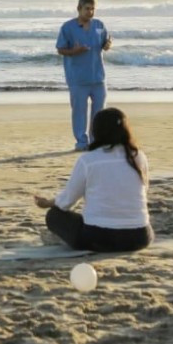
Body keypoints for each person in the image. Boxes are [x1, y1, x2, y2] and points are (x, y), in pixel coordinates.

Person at [34, 108, 153, 252]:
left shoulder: (88, 160)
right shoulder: (138, 156)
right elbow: (143, 190)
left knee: (54, 216)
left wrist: (48, 203)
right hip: (139, 237)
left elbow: (67, 201)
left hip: (99, 238)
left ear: (96, 131)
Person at [56, 0, 112, 151]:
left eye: (93, 9)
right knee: (79, 112)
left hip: (98, 77)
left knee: (99, 113)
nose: (90, 12)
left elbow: (105, 43)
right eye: (87, 9)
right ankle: (81, 142)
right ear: (79, 9)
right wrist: (74, 51)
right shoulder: (68, 28)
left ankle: (96, 141)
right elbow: (60, 49)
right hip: (78, 78)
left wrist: (108, 45)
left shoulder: (99, 25)